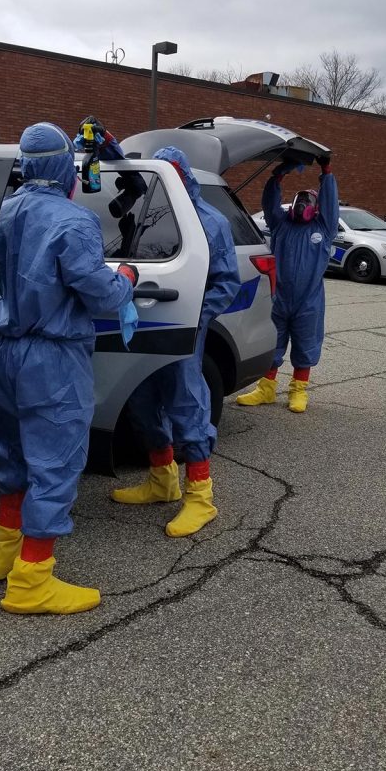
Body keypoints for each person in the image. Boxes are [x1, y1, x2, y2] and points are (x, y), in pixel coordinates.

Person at [0, 121, 138, 615]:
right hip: (52, 357)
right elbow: (100, 292)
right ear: (62, 163)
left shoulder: (2, 211)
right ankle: (31, 583)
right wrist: (127, 279)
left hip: (5, 350)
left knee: (12, 453)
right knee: (55, 461)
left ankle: (2, 555)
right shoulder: (73, 221)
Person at [110, 146, 241, 537]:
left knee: (187, 402)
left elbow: (226, 282)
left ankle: (201, 498)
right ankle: (162, 480)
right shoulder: (151, 209)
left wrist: (194, 317)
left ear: (182, 176)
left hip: (181, 328)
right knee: (142, 399)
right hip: (144, 325)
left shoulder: (207, 222)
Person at [237, 154, 339, 413]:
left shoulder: (324, 228)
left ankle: (298, 391)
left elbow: (331, 205)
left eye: (308, 201)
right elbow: (270, 204)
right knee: (272, 342)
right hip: (278, 298)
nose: (302, 204)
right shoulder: (281, 225)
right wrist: (278, 176)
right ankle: (266, 389)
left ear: (315, 207)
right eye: (299, 200)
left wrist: (326, 173)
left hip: (309, 300)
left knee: (306, 344)